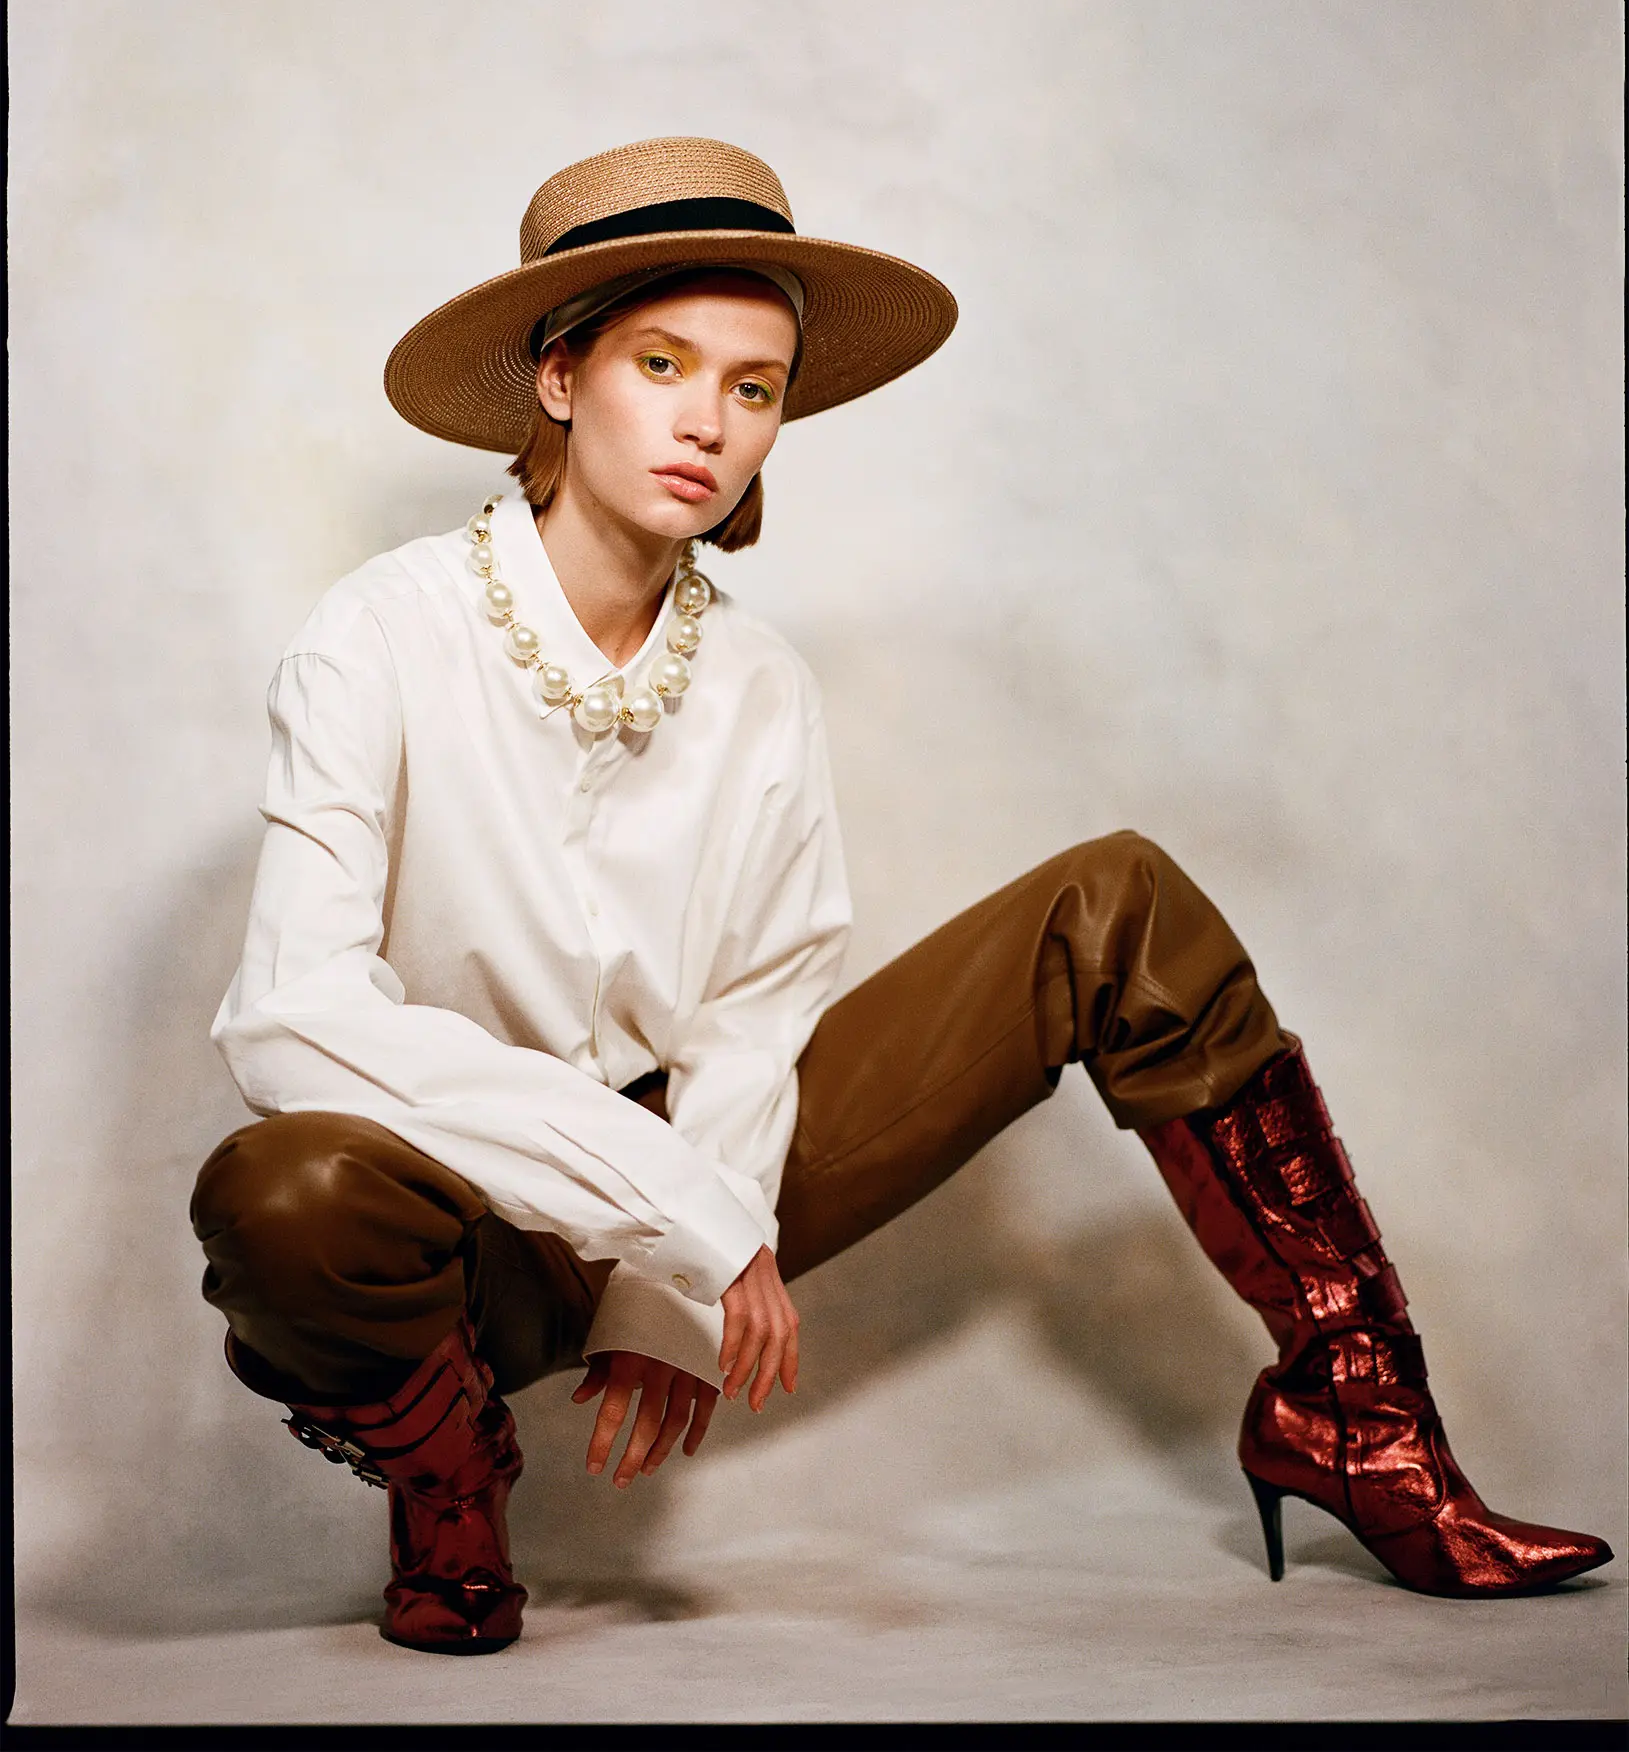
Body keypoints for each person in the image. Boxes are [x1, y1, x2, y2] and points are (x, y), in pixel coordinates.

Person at [191, 135, 1612, 1656]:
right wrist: (680, 1221)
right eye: (662, 364)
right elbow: (295, 1016)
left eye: (754, 388)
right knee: (283, 1194)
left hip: (725, 1167)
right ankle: (450, 1488)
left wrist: (671, 1289)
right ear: (557, 377)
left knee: (1119, 906)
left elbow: (752, 1019)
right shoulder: (377, 636)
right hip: (482, 1224)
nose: (709, 421)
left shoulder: (759, 687)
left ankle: (1356, 1416)